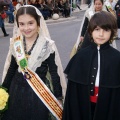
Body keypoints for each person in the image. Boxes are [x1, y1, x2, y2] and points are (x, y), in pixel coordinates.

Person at [1, 5, 66, 120]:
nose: (26, 28)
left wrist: (58, 97)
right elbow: (11, 69)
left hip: (39, 95)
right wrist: (3, 89)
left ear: (38, 23)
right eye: (22, 24)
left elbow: (54, 73)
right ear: (18, 25)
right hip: (16, 91)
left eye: (30, 23)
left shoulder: (47, 45)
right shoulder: (16, 43)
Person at [62, 11, 120, 120]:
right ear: (91, 31)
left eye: (106, 30)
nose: (101, 34)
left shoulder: (117, 57)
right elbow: (73, 93)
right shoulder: (80, 56)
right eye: (97, 29)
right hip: (83, 106)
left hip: (107, 107)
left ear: (112, 32)